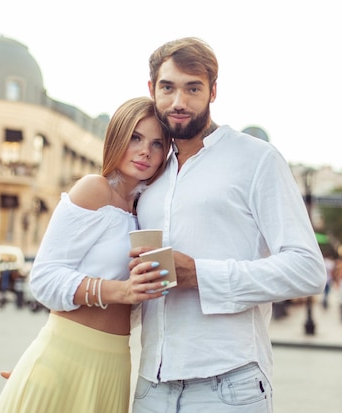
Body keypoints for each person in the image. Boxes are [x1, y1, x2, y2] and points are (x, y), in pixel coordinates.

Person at [128, 37, 327, 413]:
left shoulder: (257, 160)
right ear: (152, 89)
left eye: (193, 88)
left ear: (213, 91)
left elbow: (308, 269)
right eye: (168, 88)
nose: (179, 102)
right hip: (150, 386)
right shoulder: (149, 173)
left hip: (229, 385)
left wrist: (200, 275)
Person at [0, 97, 172, 413]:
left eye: (157, 143)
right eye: (135, 137)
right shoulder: (95, 189)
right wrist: (122, 290)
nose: (146, 150)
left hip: (115, 365)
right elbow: (44, 278)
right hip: (63, 358)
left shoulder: (148, 213)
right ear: (116, 137)